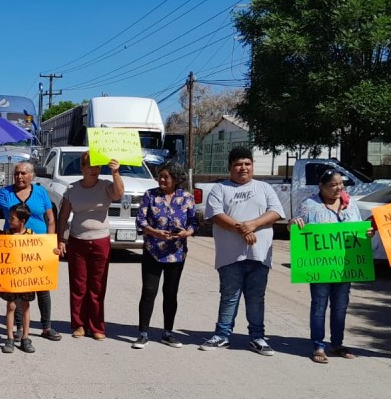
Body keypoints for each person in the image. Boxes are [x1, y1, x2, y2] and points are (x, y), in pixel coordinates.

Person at [199, 146, 284, 356]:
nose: (243, 168)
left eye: (247, 164)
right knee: (229, 296)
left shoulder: (264, 188)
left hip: (260, 255)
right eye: (238, 164)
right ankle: (222, 335)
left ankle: (257, 338)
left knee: (256, 298)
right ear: (230, 167)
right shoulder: (220, 189)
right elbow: (216, 215)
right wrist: (243, 230)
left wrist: (253, 225)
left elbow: (275, 212)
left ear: (252, 166)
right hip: (230, 256)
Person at [291, 169, 373, 363]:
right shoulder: (309, 205)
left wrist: (367, 233)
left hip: (345, 265)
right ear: (321, 186)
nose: (339, 188)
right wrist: (294, 223)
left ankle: (337, 343)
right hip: (320, 267)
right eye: (333, 185)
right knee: (319, 306)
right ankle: (318, 346)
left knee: (340, 306)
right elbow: (294, 227)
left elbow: (358, 229)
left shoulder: (350, 203)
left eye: (341, 184)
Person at [0, 161, 61, 341]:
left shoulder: (40, 193)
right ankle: (19, 327)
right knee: (18, 286)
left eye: (23, 173)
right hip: (14, 248)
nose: (19, 177)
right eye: (16, 173)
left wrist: (51, 241)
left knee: (42, 287)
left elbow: (51, 219)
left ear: (32, 176)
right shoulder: (5, 193)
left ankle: (46, 326)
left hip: (38, 247)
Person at [56, 151, 124, 340]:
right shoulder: (72, 189)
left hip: (101, 240)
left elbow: (119, 194)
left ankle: (96, 326)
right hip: (78, 241)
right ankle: (79, 324)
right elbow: (63, 216)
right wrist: (61, 239)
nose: (94, 170)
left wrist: (116, 173)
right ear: (82, 168)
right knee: (79, 286)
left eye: (97, 166)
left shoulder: (106, 186)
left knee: (97, 286)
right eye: (90, 166)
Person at [133, 162, 198, 349]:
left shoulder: (186, 198)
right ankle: (143, 333)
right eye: (160, 176)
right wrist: (154, 232)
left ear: (176, 179)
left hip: (176, 254)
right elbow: (141, 220)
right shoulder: (150, 195)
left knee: (170, 293)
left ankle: (168, 333)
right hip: (152, 252)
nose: (162, 179)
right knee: (148, 292)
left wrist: (187, 232)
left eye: (166, 177)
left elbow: (194, 221)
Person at [0, 203, 40, 354]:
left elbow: (41, 253)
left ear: (22, 221)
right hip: (9, 277)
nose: (9, 219)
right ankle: (10, 338)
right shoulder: (6, 234)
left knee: (25, 306)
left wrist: (53, 251)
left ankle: (26, 338)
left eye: (12, 218)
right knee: (11, 306)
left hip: (25, 277)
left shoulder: (32, 235)